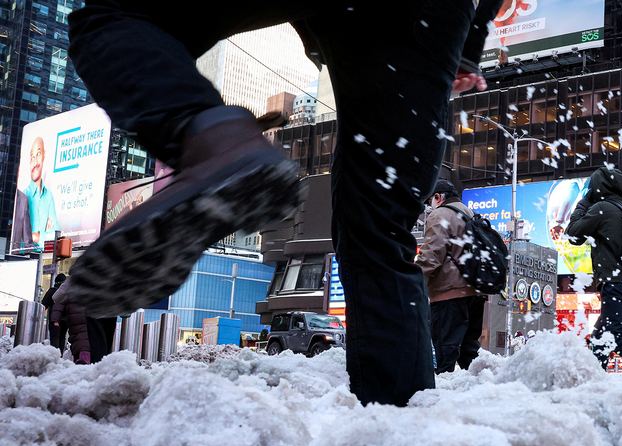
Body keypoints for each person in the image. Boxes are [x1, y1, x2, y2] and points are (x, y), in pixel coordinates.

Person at [66, 0, 503, 406]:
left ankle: (211, 139)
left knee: (117, 14)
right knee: (378, 232)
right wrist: (466, 47)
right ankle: (399, 427)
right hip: (428, 16)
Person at [566, 167, 622, 370]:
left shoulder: (602, 208)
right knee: (600, 337)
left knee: (616, 337)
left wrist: (583, 203)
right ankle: (596, 378)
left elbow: (573, 235)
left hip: (614, 283)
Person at [416, 180, 487, 374]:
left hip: (449, 293)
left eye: (430, 200)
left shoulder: (440, 214)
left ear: (438, 197)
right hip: (476, 292)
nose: (429, 206)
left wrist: (413, 277)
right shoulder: (472, 215)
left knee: (446, 350)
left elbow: (432, 254)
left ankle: (443, 397)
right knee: (469, 351)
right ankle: (477, 390)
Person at [22, 137, 59, 250]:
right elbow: (23, 237)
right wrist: (45, 236)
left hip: (45, 257)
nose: (35, 162)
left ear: (44, 155)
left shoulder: (48, 196)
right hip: (25, 258)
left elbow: (54, 237)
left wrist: (38, 237)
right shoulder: (24, 195)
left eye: (38, 154)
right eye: (32, 157)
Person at [45, 274, 68, 352]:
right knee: (62, 337)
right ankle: (60, 355)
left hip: (54, 319)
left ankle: (55, 356)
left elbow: (44, 304)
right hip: (66, 319)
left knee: (55, 337)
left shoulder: (52, 291)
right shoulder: (68, 292)